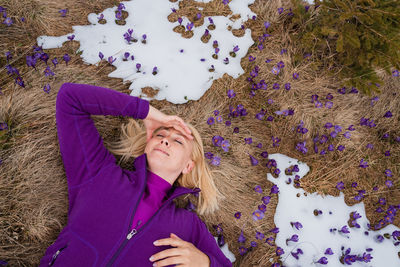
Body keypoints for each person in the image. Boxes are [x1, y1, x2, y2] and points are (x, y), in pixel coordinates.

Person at [38, 83, 232, 267]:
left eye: (178, 141)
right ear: (146, 145)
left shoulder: (189, 227)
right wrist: (148, 113)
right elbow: (70, 98)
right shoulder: (98, 173)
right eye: (160, 134)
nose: (165, 141)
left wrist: (205, 263)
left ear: (188, 166)